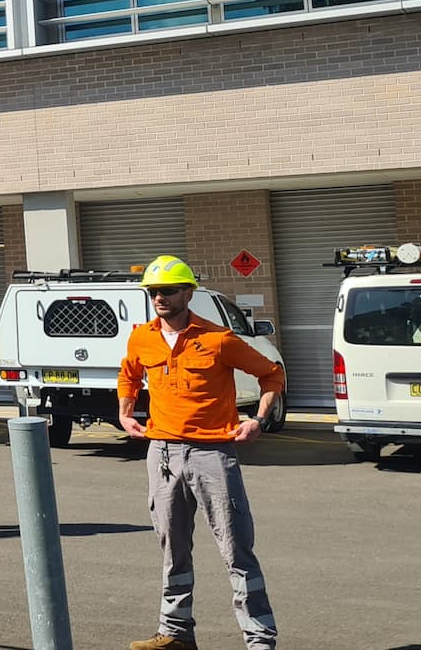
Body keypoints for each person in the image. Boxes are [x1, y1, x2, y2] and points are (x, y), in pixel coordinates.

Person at [118, 255, 285, 650]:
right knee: (172, 546)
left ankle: (260, 639)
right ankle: (174, 633)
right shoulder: (142, 336)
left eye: (168, 290)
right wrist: (125, 412)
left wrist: (258, 419)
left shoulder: (218, 339)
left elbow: (271, 373)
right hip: (161, 453)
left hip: (213, 453)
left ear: (187, 293)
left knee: (236, 548)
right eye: (153, 291)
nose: (159, 297)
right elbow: (129, 373)